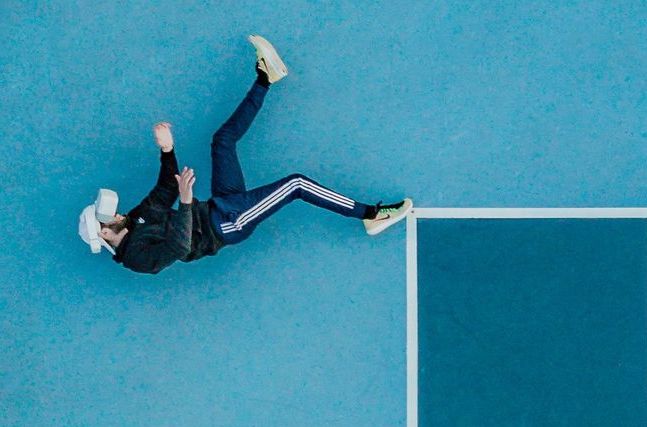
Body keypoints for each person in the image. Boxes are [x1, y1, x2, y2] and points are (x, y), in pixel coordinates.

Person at [78, 35, 411, 275]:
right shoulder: (137, 258)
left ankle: (266, 76)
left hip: (219, 205)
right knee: (296, 185)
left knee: (222, 140)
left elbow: (165, 189)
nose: (115, 212)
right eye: (107, 217)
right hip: (227, 224)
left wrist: (167, 150)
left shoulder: (136, 217)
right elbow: (179, 247)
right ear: (104, 233)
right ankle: (370, 215)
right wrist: (187, 200)